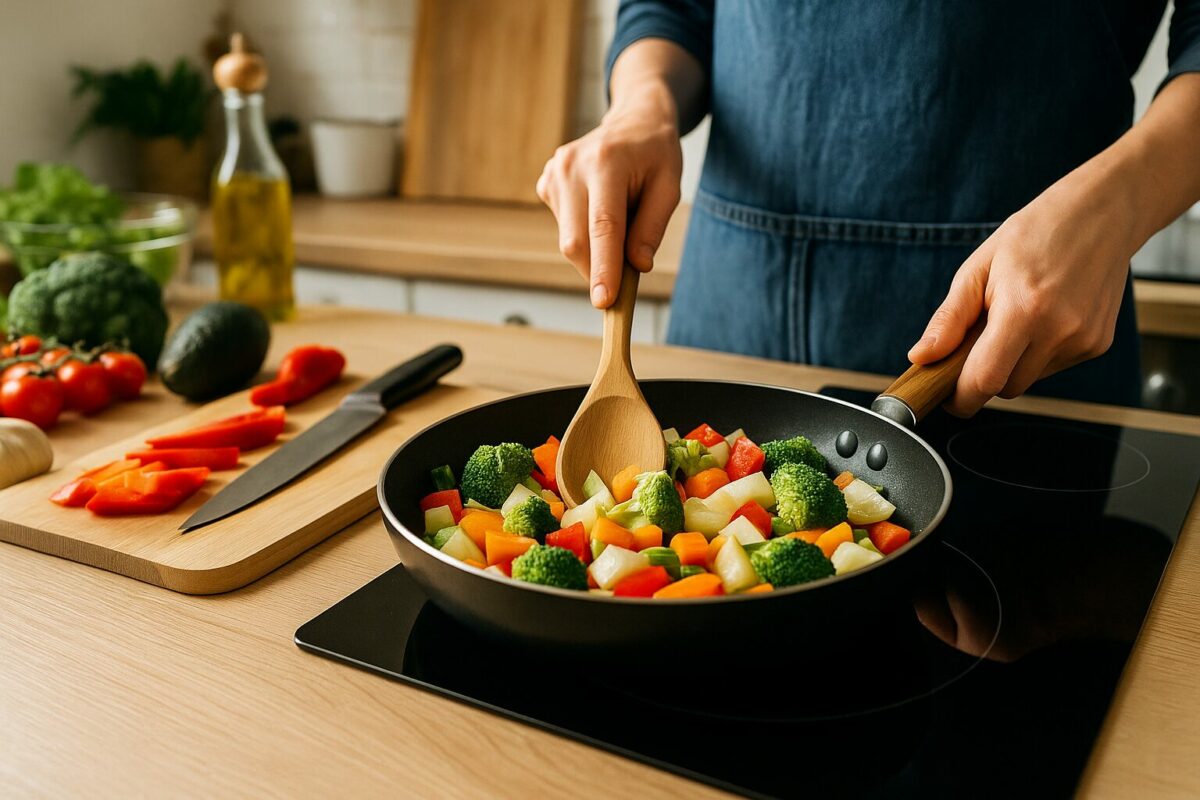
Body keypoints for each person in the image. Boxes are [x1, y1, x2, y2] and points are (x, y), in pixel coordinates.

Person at [536, 1, 1200, 415]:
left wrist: (1121, 203)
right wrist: (641, 103)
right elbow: (672, 9)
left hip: (1029, 323)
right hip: (731, 311)